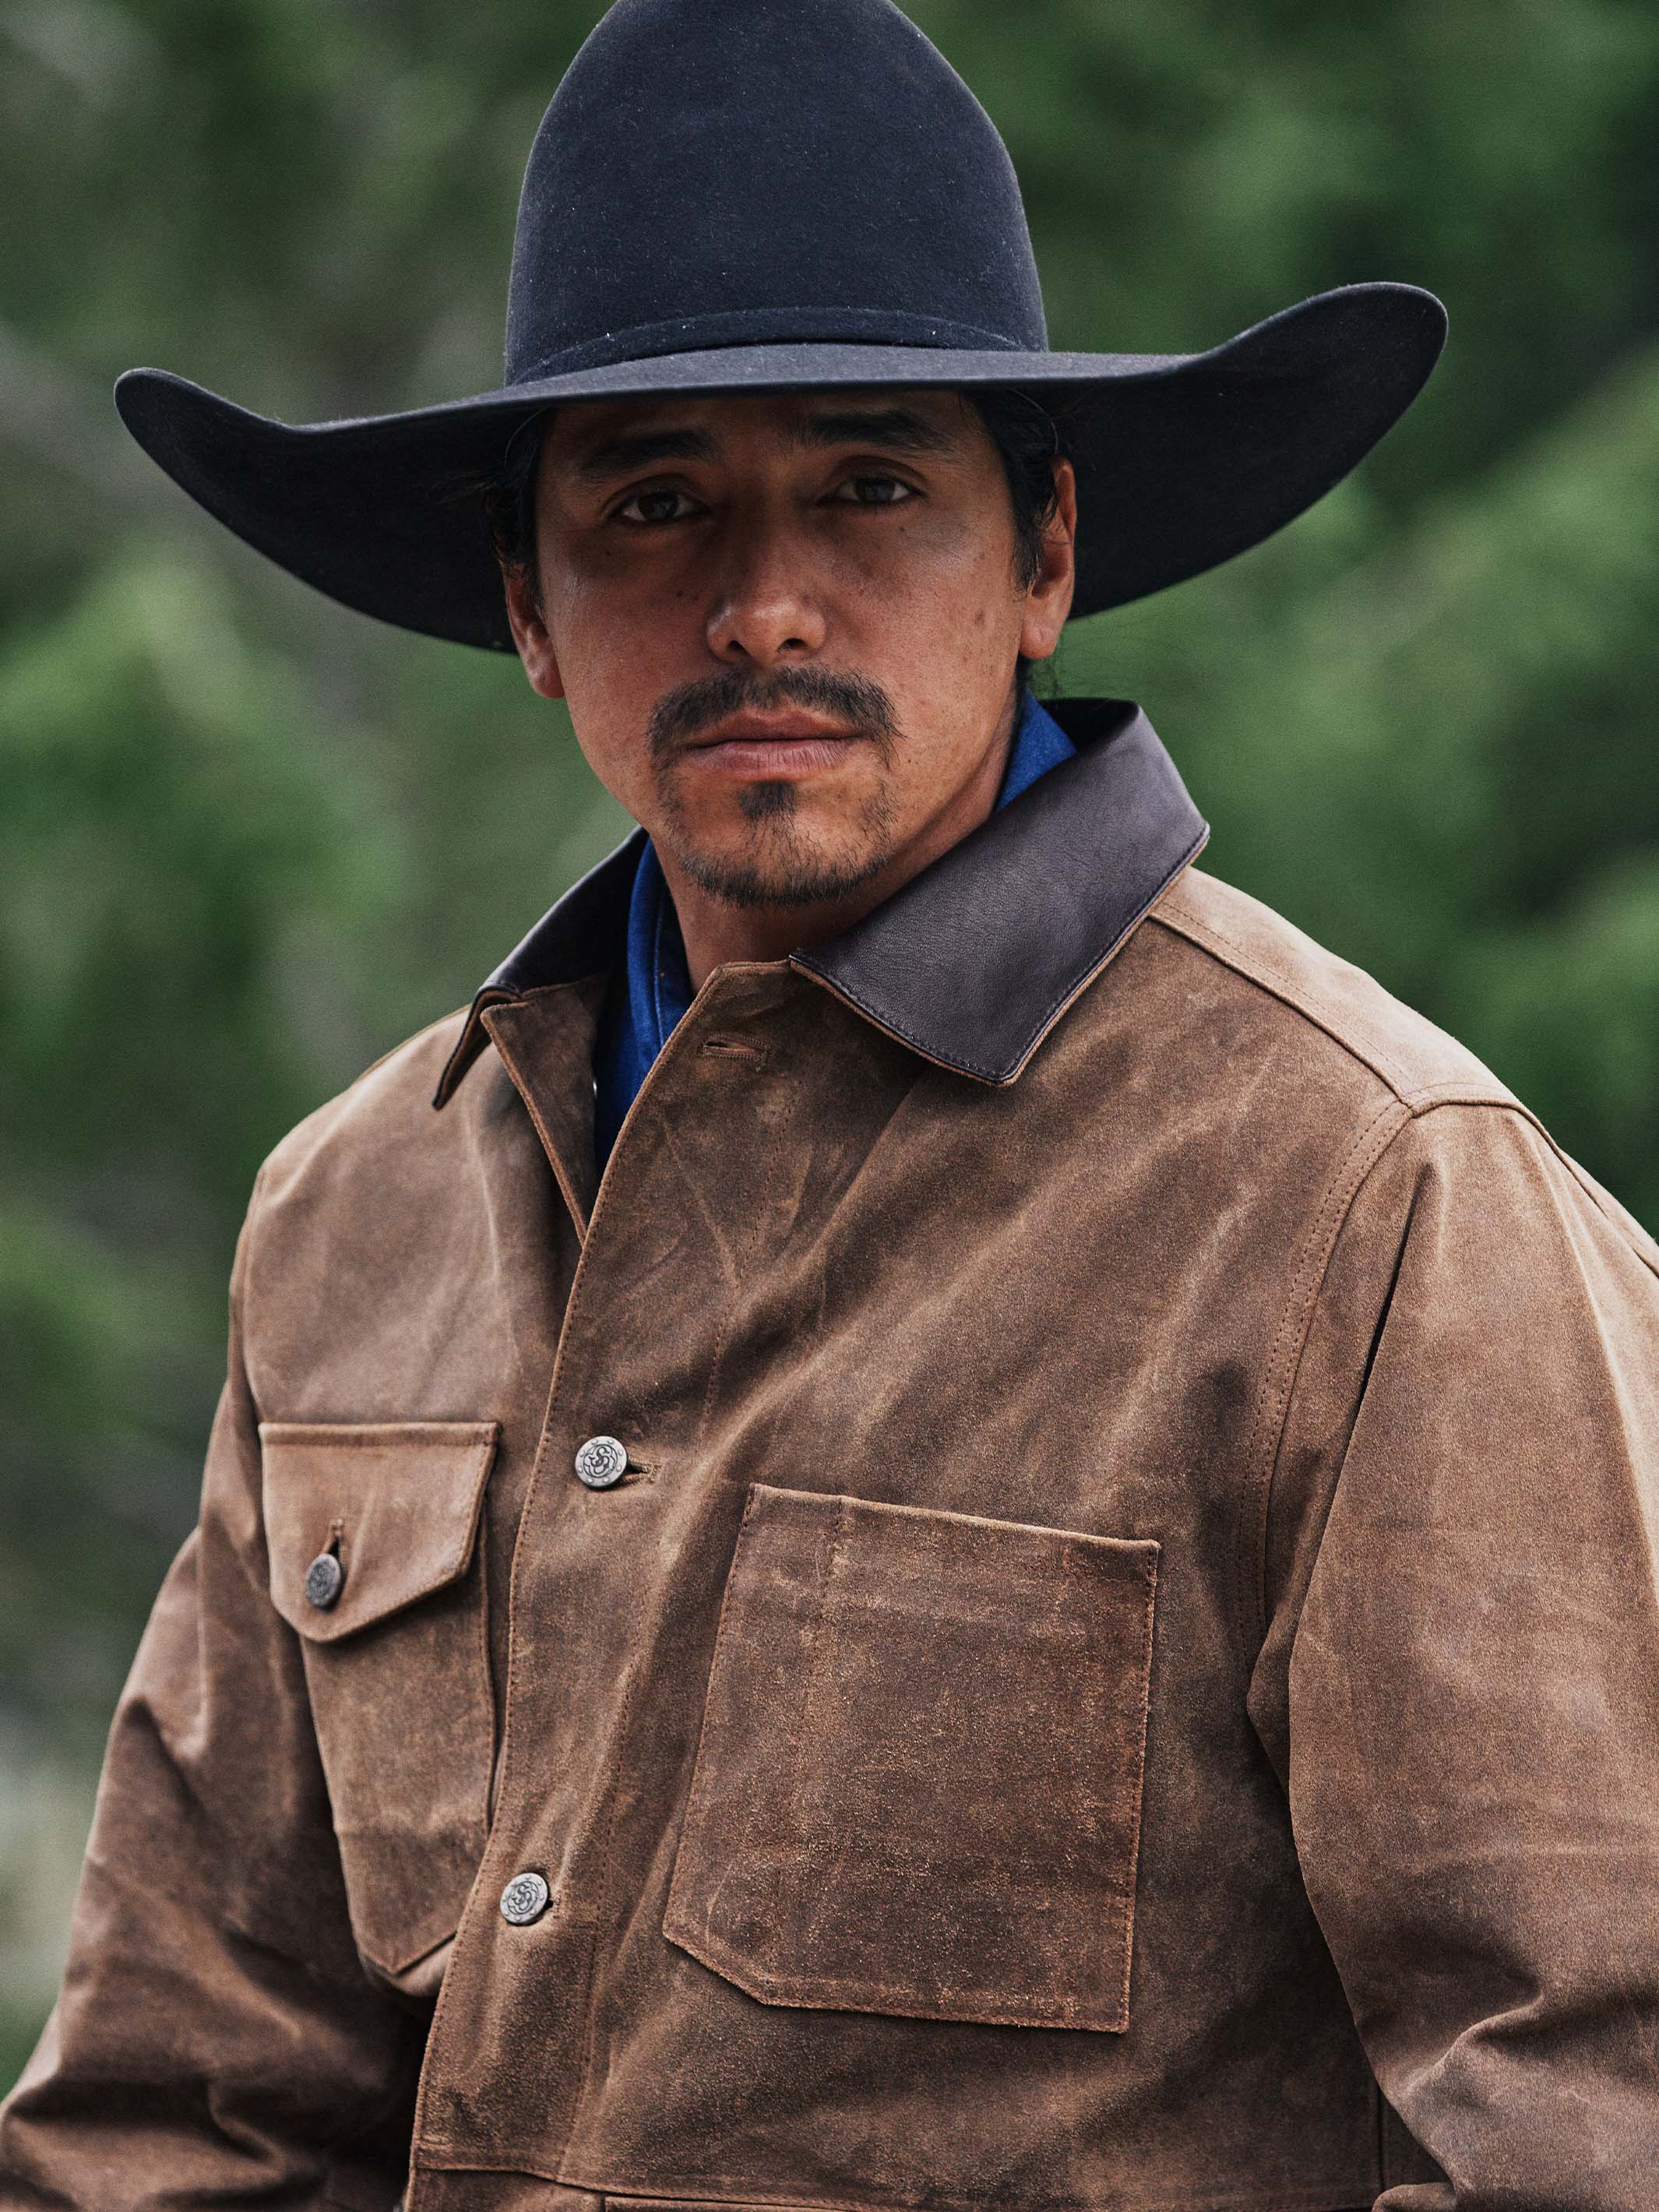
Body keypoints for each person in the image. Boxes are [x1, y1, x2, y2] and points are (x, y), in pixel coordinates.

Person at [4, 0, 1657, 2205]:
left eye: (871, 485)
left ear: (1042, 557)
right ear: (526, 606)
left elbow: (1598, 2122)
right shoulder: (359, 1215)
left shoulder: (1369, 1203)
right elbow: (173, 2116)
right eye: (652, 503)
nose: (765, 606)